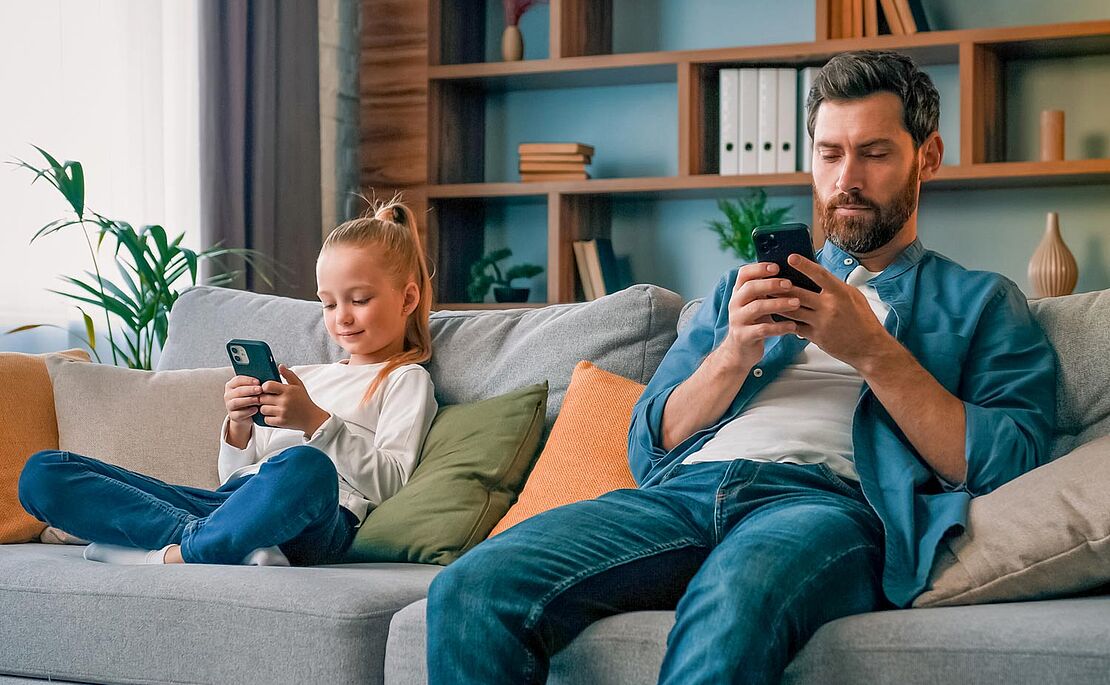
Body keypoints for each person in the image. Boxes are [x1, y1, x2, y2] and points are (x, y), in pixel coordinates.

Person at [424, 50, 1056, 684]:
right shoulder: (742, 291)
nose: (847, 179)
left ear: (929, 156)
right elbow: (648, 445)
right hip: (686, 494)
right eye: (830, 154)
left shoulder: (981, 302)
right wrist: (732, 353)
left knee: (731, 600)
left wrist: (871, 351)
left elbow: (1008, 461)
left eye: (874, 153)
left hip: (824, 505)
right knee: (470, 589)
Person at [18, 198, 438, 567]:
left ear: (407, 298)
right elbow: (233, 477)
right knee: (44, 473)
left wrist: (315, 421)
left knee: (306, 466)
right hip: (229, 506)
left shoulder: (405, 380)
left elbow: (391, 483)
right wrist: (239, 426)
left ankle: (174, 552)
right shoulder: (306, 376)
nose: (342, 316)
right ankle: (223, 544)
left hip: (316, 518)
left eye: (359, 300)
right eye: (328, 303)